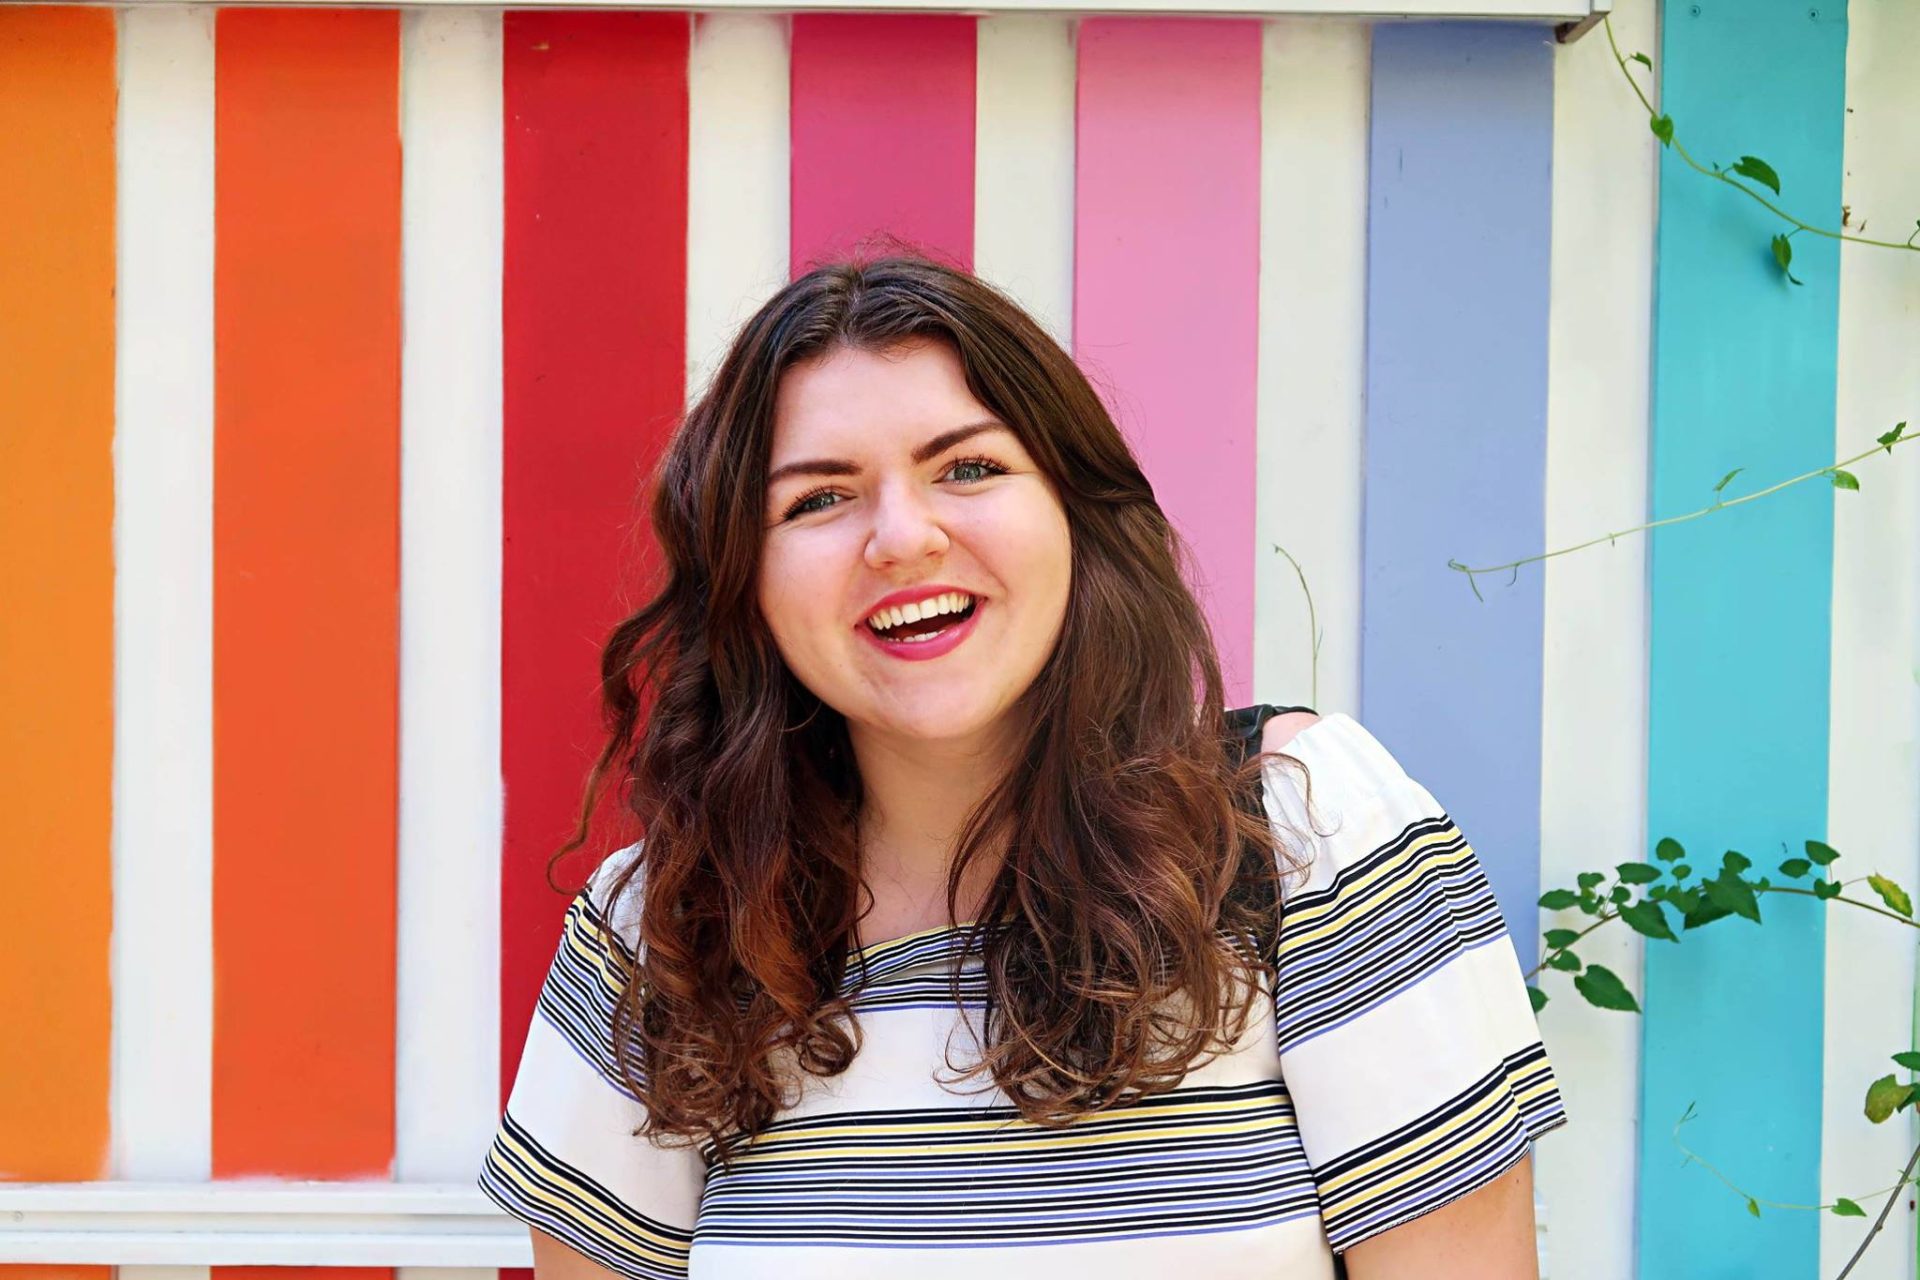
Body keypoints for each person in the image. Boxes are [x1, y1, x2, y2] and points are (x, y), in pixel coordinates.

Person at [478, 253, 1566, 1279]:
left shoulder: (1301, 833)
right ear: (744, 585)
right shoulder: (663, 929)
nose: (900, 537)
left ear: (1076, 514)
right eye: (818, 497)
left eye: (969, 467)